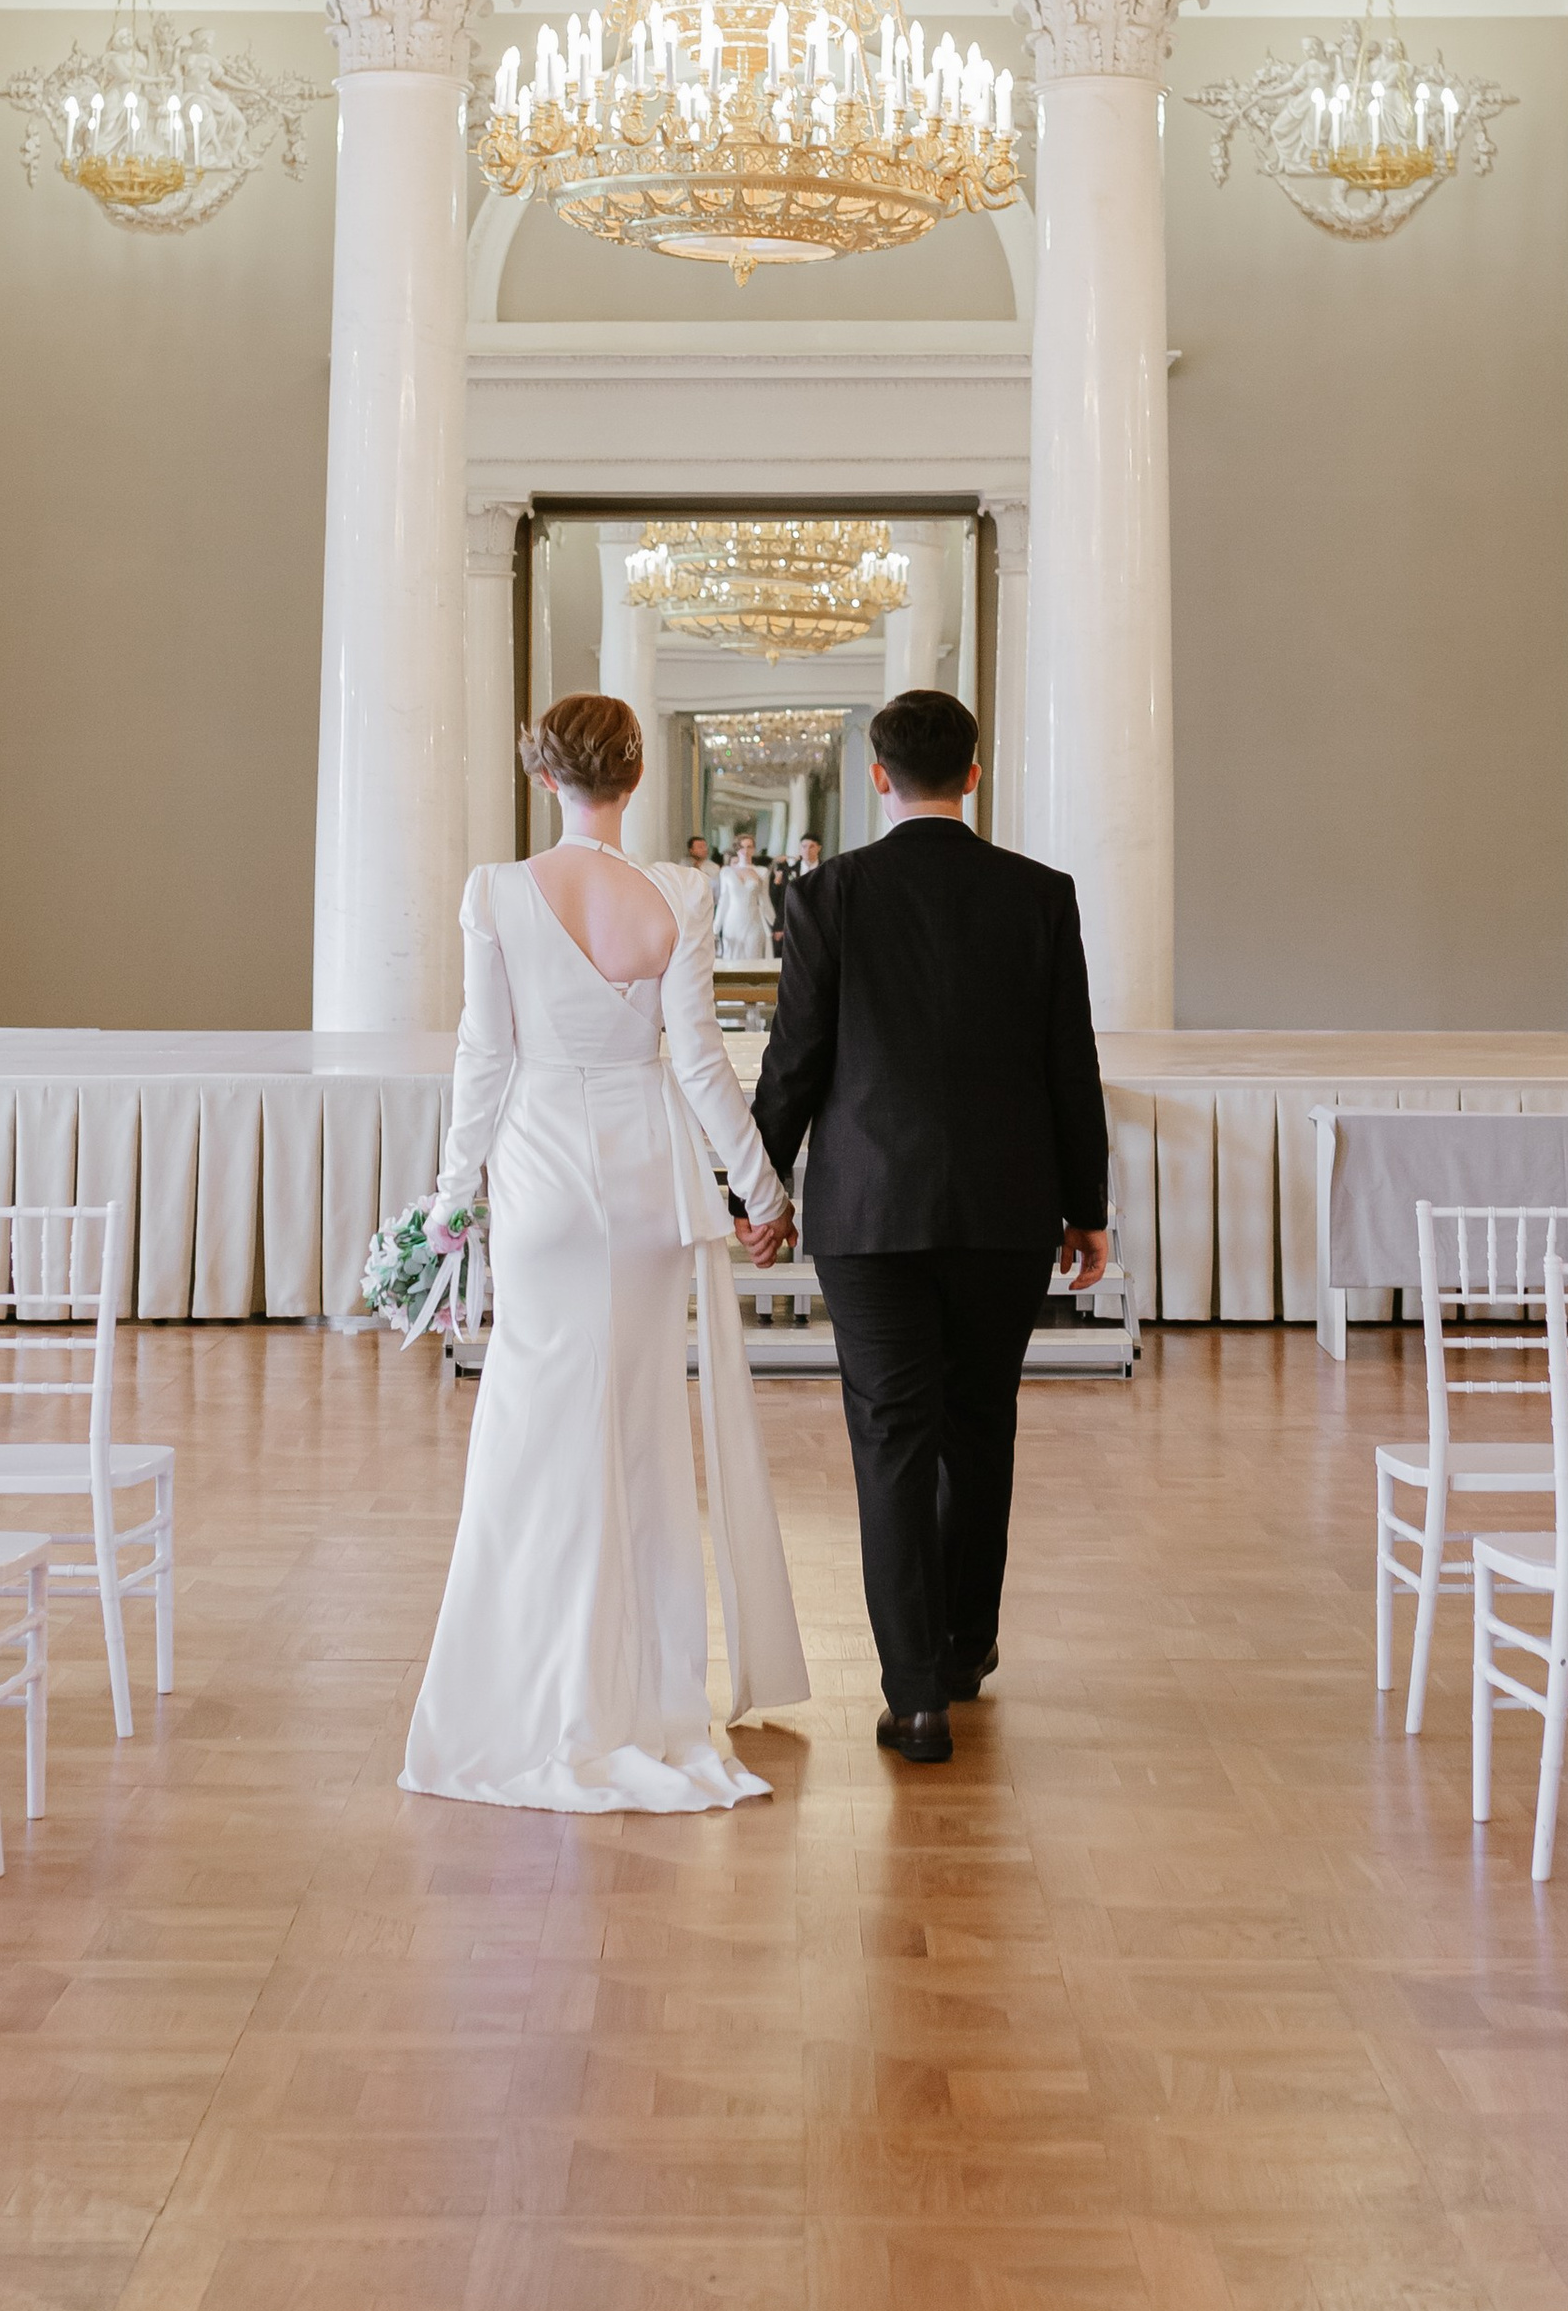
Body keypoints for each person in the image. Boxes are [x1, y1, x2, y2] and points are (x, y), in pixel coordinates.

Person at [401, 694, 808, 1812]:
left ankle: (531, 1686)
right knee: (636, 1434)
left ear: (546, 779)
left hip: (539, 1179)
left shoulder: (496, 891)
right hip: (644, 1190)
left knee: (531, 1425)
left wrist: (451, 1201)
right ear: (633, 781)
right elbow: (702, 1064)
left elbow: (483, 1058)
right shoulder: (676, 894)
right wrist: (762, 1190)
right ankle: (637, 1690)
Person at [751, 687, 1109, 1766]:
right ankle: (962, 1648)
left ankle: (914, 1698)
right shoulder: (1040, 894)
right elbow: (1070, 1062)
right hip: (1006, 1207)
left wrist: (757, 1191)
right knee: (980, 1425)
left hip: (868, 1210)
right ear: (974, 774)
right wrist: (1086, 1208)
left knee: (891, 1438)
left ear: (878, 777)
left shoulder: (829, 893)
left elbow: (795, 1060)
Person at [713, 834, 775, 963]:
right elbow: (724, 900)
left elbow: (765, 898)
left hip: (754, 920)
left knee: (754, 958)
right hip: (731, 921)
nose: (745, 851)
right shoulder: (726, 872)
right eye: (742, 847)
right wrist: (716, 928)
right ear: (737, 849)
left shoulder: (762, 871)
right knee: (731, 960)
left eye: (749, 847)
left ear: (753, 849)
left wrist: (775, 923)